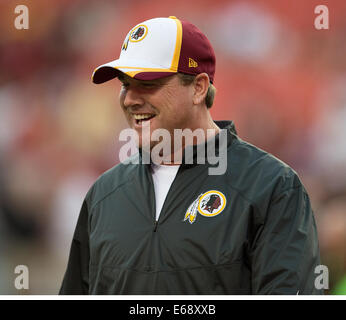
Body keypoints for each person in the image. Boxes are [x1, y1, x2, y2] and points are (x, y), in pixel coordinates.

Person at [59, 16, 323, 294]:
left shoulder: (270, 186)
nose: (130, 99)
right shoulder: (104, 194)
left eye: (147, 83)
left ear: (198, 87)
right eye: (125, 84)